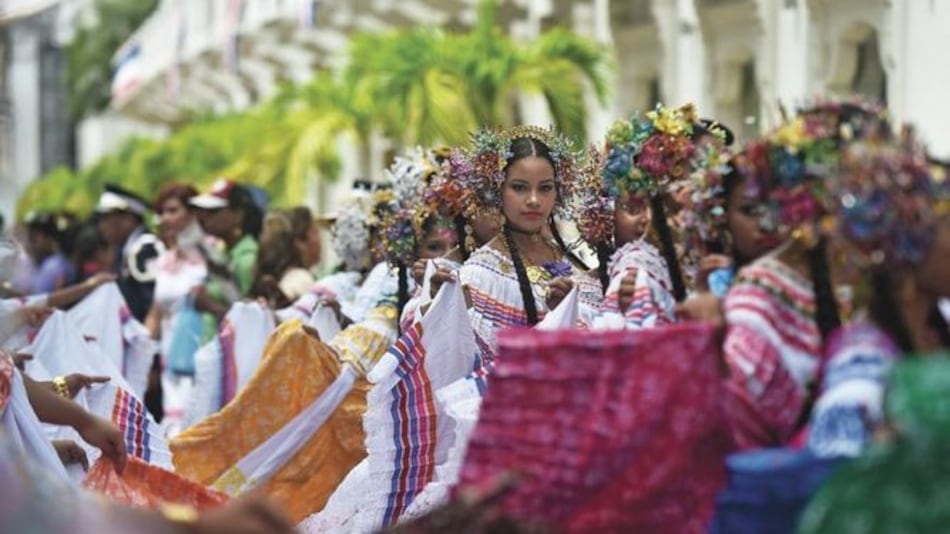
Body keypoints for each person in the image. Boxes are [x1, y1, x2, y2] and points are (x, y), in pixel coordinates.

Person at [143, 183, 212, 436]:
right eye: (162, 212)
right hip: (171, 362)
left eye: (172, 210)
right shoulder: (164, 261)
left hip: (205, 356)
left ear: (193, 213)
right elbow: (156, 313)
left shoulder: (213, 254)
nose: (165, 218)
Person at [189, 178, 262, 317]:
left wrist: (211, 306)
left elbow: (251, 318)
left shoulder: (248, 259)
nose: (204, 217)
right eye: (203, 210)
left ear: (239, 214)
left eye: (213, 211)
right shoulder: (224, 252)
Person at [96, 184, 164, 321]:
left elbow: (152, 301)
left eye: (107, 219)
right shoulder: (126, 250)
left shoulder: (145, 249)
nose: (102, 227)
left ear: (128, 219)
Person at [251, 207, 321, 305]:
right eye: (315, 232)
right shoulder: (301, 280)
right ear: (299, 242)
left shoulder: (273, 279)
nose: (320, 239)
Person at [24, 211, 77, 294]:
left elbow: (59, 299)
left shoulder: (58, 266)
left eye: (34, 239)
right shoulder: (40, 263)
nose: (31, 244)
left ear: (49, 239)